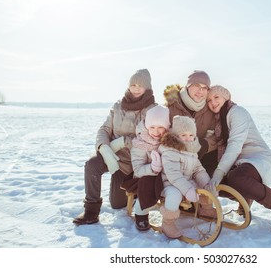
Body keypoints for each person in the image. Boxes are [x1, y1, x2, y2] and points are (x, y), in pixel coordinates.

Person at [73, 69, 156, 225]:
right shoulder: (118, 106)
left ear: (148, 87)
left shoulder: (152, 110)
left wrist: (124, 141)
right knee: (92, 165)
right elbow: (104, 129)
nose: (136, 88)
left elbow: (150, 139)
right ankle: (91, 211)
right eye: (133, 84)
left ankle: (138, 192)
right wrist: (103, 147)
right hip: (113, 157)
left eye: (141, 85)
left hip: (134, 163)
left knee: (118, 204)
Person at [206, 85, 271, 231]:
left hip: (257, 157)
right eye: (208, 100)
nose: (212, 102)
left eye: (216, 97)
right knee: (216, 184)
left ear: (226, 97)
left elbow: (234, 145)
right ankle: (245, 198)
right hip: (238, 162)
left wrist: (219, 173)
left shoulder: (237, 112)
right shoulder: (217, 120)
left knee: (236, 178)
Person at [158, 115, 217, 239]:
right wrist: (188, 190)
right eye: (183, 135)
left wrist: (206, 184)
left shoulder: (192, 150)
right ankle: (167, 223)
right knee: (174, 195)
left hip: (186, 182)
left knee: (203, 189)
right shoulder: (169, 151)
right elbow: (173, 175)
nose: (188, 138)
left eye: (191, 135)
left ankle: (206, 209)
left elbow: (198, 170)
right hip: (169, 184)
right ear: (175, 136)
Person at [163, 70, 217, 174]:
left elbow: (216, 136)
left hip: (199, 158)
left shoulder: (210, 109)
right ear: (188, 86)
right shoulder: (171, 106)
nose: (200, 90)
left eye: (204, 87)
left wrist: (205, 145)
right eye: (196, 85)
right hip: (173, 158)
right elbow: (160, 133)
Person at [129, 105, 170, 231]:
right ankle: (141, 212)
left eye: (160, 127)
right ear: (147, 127)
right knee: (147, 181)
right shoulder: (140, 143)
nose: (156, 132)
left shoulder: (170, 140)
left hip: (165, 175)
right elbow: (137, 170)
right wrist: (152, 168)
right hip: (142, 177)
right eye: (152, 127)